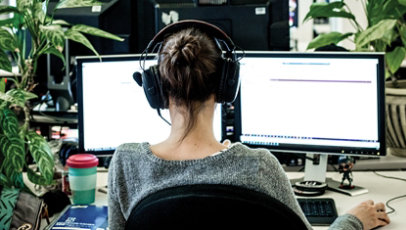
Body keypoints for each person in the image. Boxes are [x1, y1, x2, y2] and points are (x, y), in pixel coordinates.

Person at [108, 20, 390, 230]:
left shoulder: (126, 163)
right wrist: (353, 221)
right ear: (226, 87)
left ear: (155, 90)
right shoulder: (259, 166)